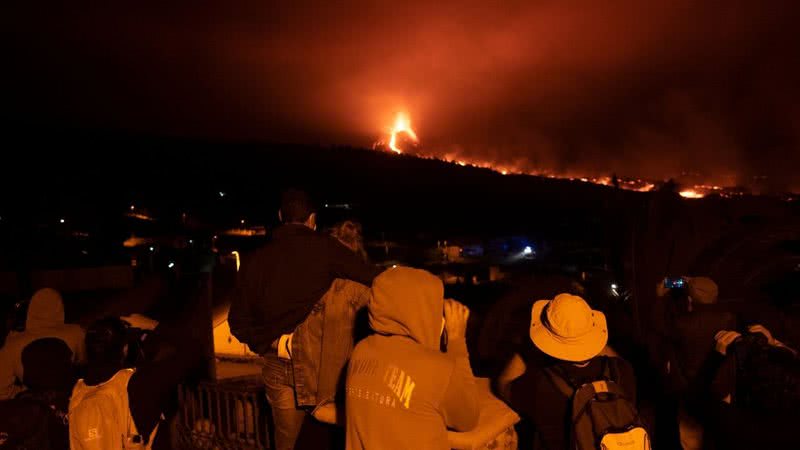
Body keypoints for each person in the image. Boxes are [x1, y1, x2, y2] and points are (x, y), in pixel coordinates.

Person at [228, 190, 381, 450]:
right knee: (330, 439)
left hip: (278, 362)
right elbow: (374, 279)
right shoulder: (326, 249)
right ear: (312, 219)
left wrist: (271, 344)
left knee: (287, 443)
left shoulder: (254, 261)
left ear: (280, 216)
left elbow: (238, 322)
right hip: (323, 366)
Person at [345, 267, 479, 450]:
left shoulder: (361, 350)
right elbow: (468, 419)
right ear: (421, 309)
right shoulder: (437, 368)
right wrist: (456, 342)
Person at [496, 293, 641, 450]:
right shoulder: (622, 371)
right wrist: (589, 340)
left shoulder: (540, 383)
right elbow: (614, 358)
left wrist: (525, 347)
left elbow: (503, 384)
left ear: (546, 336)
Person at [68, 312, 203, 450]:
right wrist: (152, 325)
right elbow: (194, 348)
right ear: (125, 349)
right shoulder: (141, 384)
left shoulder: (77, 391)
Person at [704, 324, 800, 449]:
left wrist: (716, 356)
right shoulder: (794, 426)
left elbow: (697, 398)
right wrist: (775, 346)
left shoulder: (732, 424)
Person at [0, 288, 85, 400]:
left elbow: (2, 391)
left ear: (30, 309)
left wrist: (24, 393)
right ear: (61, 308)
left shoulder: (12, 343)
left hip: (31, 408)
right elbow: (85, 363)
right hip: (69, 400)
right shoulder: (76, 333)